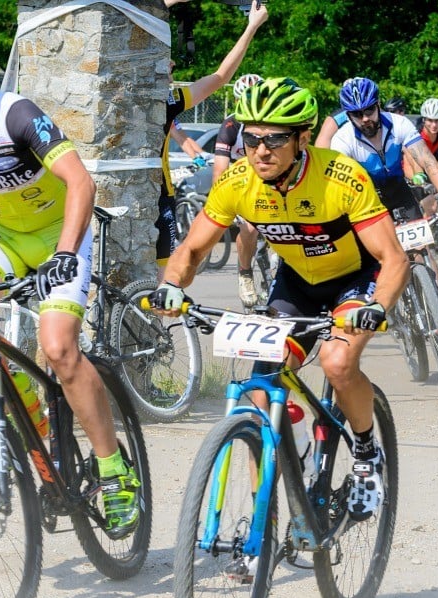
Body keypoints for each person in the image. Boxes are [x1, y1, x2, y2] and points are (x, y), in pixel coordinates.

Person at [147, 77, 409, 523]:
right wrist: (173, 285)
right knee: (260, 392)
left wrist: (377, 307)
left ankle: (365, 451)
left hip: (355, 279)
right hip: (298, 285)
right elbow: (190, 250)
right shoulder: (237, 181)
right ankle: (264, 517)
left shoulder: (340, 177)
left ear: (302, 138)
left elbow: (394, 258)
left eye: (275, 139)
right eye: (251, 139)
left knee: (337, 362)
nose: (260, 150)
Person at [0, 28, 141, 537]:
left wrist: (67, 252)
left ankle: (115, 471)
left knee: (60, 349)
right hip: (3, 237)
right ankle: (26, 421)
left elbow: (80, 181)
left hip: (58, 236)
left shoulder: (15, 114)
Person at [330, 77, 438, 345]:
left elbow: (426, 160)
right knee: (382, 257)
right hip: (367, 200)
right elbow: (339, 188)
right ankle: (391, 306)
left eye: (369, 111)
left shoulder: (399, 124)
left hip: (399, 191)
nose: (365, 119)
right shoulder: (342, 140)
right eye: (356, 114)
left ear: (378, 105)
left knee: (422, 252)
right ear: (348, 115)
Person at [157, 2, 268, 278]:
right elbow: (220, 77)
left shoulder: (168, 101)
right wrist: (251, 27)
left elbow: (220, 77)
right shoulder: (166, 101)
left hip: (162, 196)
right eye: (167, 61)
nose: (172, 63)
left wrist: (251, 27)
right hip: (158, 195)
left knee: (164, 279)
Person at [213, 72, 265, 307]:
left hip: (268, 180)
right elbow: (220, 169)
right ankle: (245, 273)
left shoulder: (274, 121)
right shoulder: (232, 125)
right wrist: (225, 203)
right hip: (241, 182)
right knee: (250, 227)